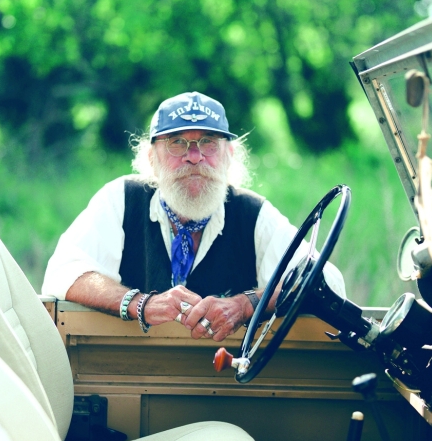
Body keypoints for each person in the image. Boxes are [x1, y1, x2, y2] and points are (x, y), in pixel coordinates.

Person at [41, 91, 345, 342]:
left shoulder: (252, 213)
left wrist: (245, 305)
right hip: (131, 374)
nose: (194, 157)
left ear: (229, 156)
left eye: (208, 142)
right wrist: (139, 304)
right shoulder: (121, 199)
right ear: (151, 157)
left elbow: (327, 281)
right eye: (177, 143)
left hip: (224, 386)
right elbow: (64, 273)